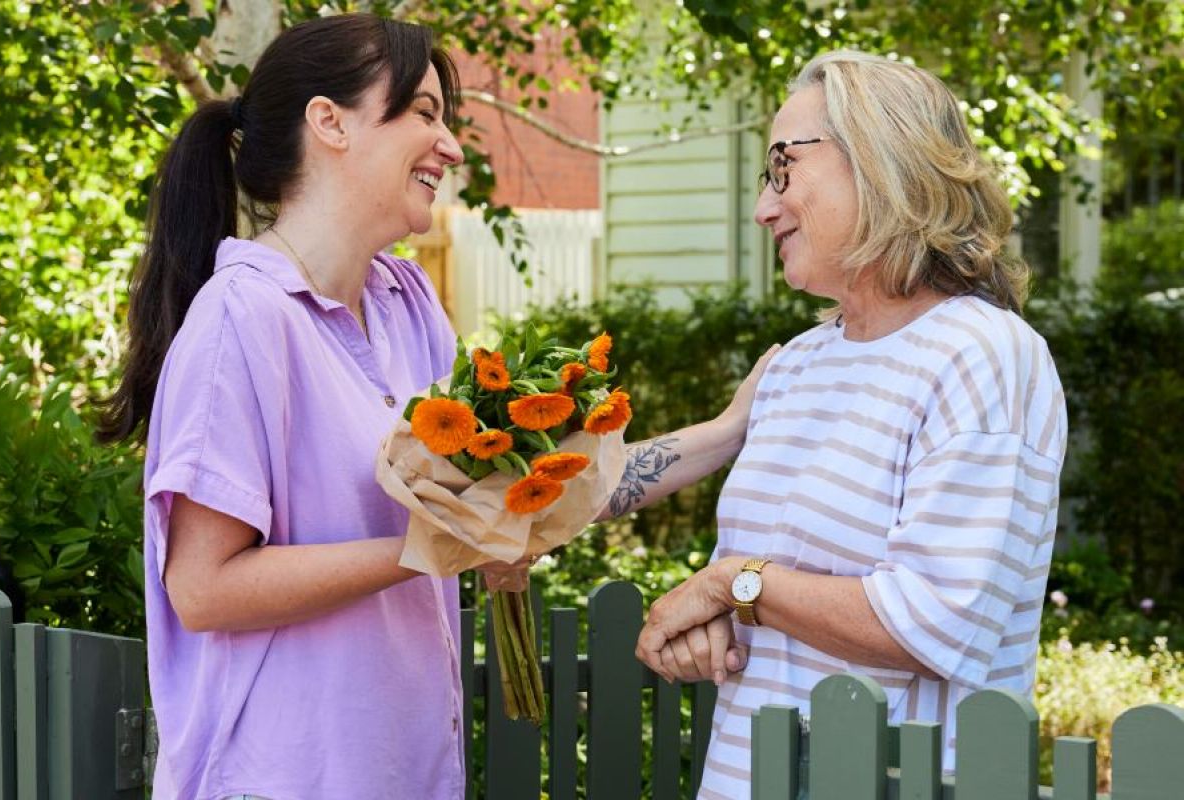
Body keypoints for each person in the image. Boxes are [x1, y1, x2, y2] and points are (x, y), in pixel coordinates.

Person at [95, 14, 539, 800]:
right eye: (424, 113)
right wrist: (435, 547)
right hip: (283, 777)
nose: (451, 145)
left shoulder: (406, 302)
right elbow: (203, 589)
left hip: (405, 773)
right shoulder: (244, 317)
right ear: (328, 122)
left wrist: (506, 523)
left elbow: (460, 497)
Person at [632, 50, 1067, 798]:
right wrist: (714, 626)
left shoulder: (983, 354)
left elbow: (929, 623)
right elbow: (761, 595)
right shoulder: (798, 363)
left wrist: (731, 587)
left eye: (781, 168)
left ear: (880, 158)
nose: (764, 207)